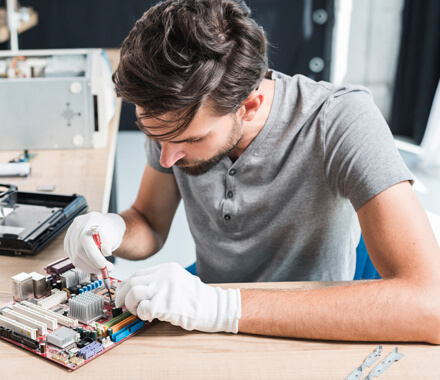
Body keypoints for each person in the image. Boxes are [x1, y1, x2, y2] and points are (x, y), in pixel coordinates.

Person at [65, 0, 440, 343]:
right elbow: (149, 221)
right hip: (211, 307)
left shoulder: (340, 121)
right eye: (154, 135)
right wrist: (111, 230)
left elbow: (429, 305)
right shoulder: (173, 117)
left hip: (315, 320)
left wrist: (223, 308)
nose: (166, 159)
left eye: (190, 140)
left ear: (249, 104)